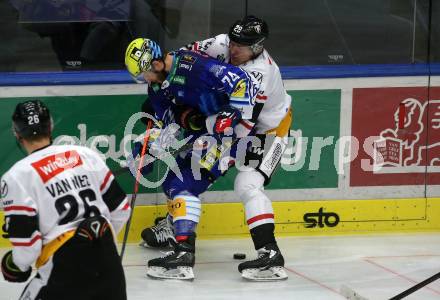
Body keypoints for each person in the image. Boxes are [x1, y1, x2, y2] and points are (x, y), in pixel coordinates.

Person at [139, 15, 292, 281]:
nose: (233, 49)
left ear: (257, 47)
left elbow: (241, 127)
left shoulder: (262, 74)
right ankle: (176, 226)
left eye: (241, 46)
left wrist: (194, 129)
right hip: (227, 122)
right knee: (189, 174)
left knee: (247, 184)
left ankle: (270, 255)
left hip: (266, 132)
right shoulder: (221, 43)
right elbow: (180, 58)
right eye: (232, 42)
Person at [0, 100, 130, 299]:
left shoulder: (16, 177)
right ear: (50, 126)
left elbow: (28, 245)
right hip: (108, 261)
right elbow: (121, 209)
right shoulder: (86, 155)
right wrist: (96, 244)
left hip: (65, 267)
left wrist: (16, 265)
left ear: (17, 134)